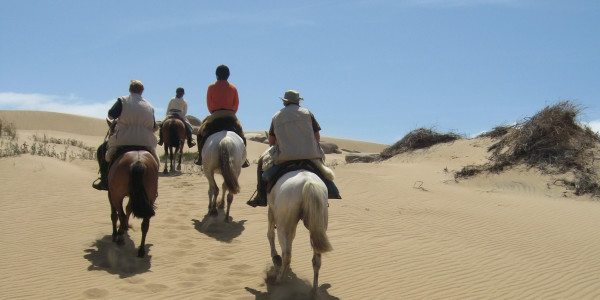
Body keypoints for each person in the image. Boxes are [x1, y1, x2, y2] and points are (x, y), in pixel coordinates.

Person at [246, 90, 340, 207]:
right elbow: (317, 137)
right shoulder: (308, 113)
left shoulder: (276, 116)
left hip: (285, 157)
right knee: (324, 173)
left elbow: (271, 141)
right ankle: (331, 192)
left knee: (262, 164)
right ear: (298, 101)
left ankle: (261, 197)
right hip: (310, 155)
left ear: (285, 102)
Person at [92, 80, 159, 190]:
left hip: (123, 138)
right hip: (146, 140)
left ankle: (104, 180)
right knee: (155, 163)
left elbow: (111, 115)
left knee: (102, 150)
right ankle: (153, 185)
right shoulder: (149, 106)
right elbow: (154, 126)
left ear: (129, 89)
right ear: (142, 91)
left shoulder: (122, 101)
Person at [195, 64, 248, 167]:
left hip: (215, 114)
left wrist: (213, 111)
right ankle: (244, 160)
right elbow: (236, 104)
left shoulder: (211, 87)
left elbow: (209, 104)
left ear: (216, 75)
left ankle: (200, 158)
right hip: (230, 115)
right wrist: (231, 112)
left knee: (200, 133)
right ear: (228, 75)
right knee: (241, 135)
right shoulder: (233, 88)